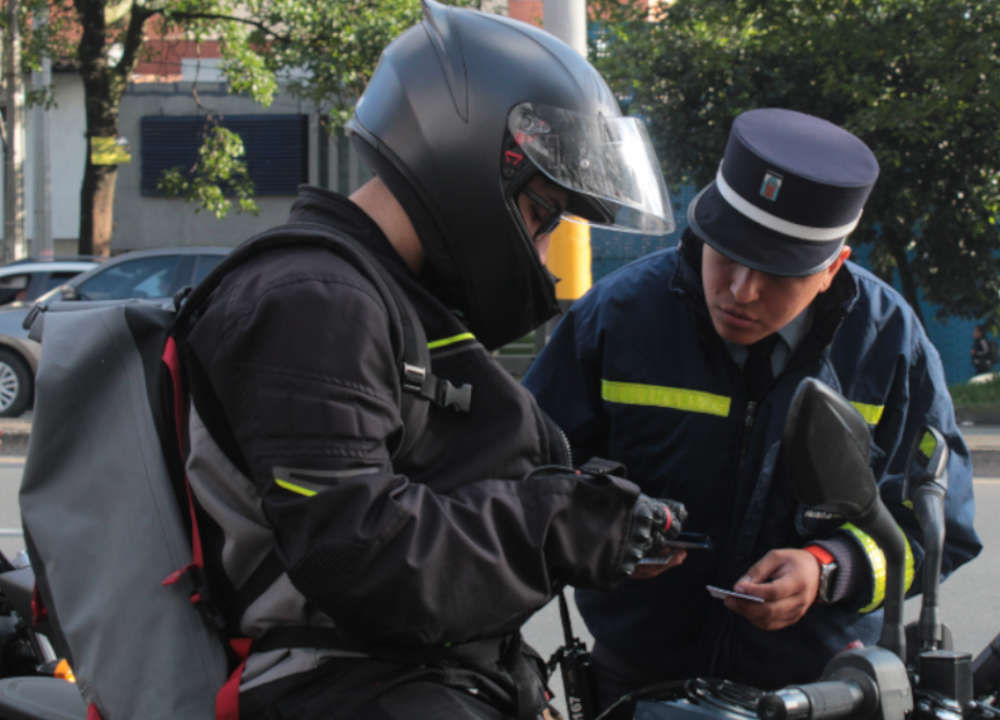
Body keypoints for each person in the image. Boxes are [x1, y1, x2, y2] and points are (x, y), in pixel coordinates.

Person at [178, 2, 684, 718]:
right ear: (470, 157)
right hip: (341, 685)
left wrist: (597, 516)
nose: (542, 255)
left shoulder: (385, 295)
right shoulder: (315, 303)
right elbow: (364, 557)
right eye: (542, 217)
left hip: (423, 673)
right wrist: (560, 525)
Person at [524, 108, 982, 709]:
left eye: (774, 272)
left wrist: (828, 568)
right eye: (726, 253)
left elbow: (940, 528)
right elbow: (521, 472)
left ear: (831, 268)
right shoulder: (616, 317)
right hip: (634, 686)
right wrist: (596, 533)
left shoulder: (889, 344)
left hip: (819, 695)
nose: (740, 290)